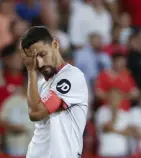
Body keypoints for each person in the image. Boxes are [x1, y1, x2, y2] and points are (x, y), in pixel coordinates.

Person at [20, 26, 88, 158]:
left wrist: (31, 71)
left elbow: (36, 113)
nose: (39, 63)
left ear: (55, 44)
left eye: (42, 55)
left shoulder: (72, 76)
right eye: (33, 59)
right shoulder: (39, 84)